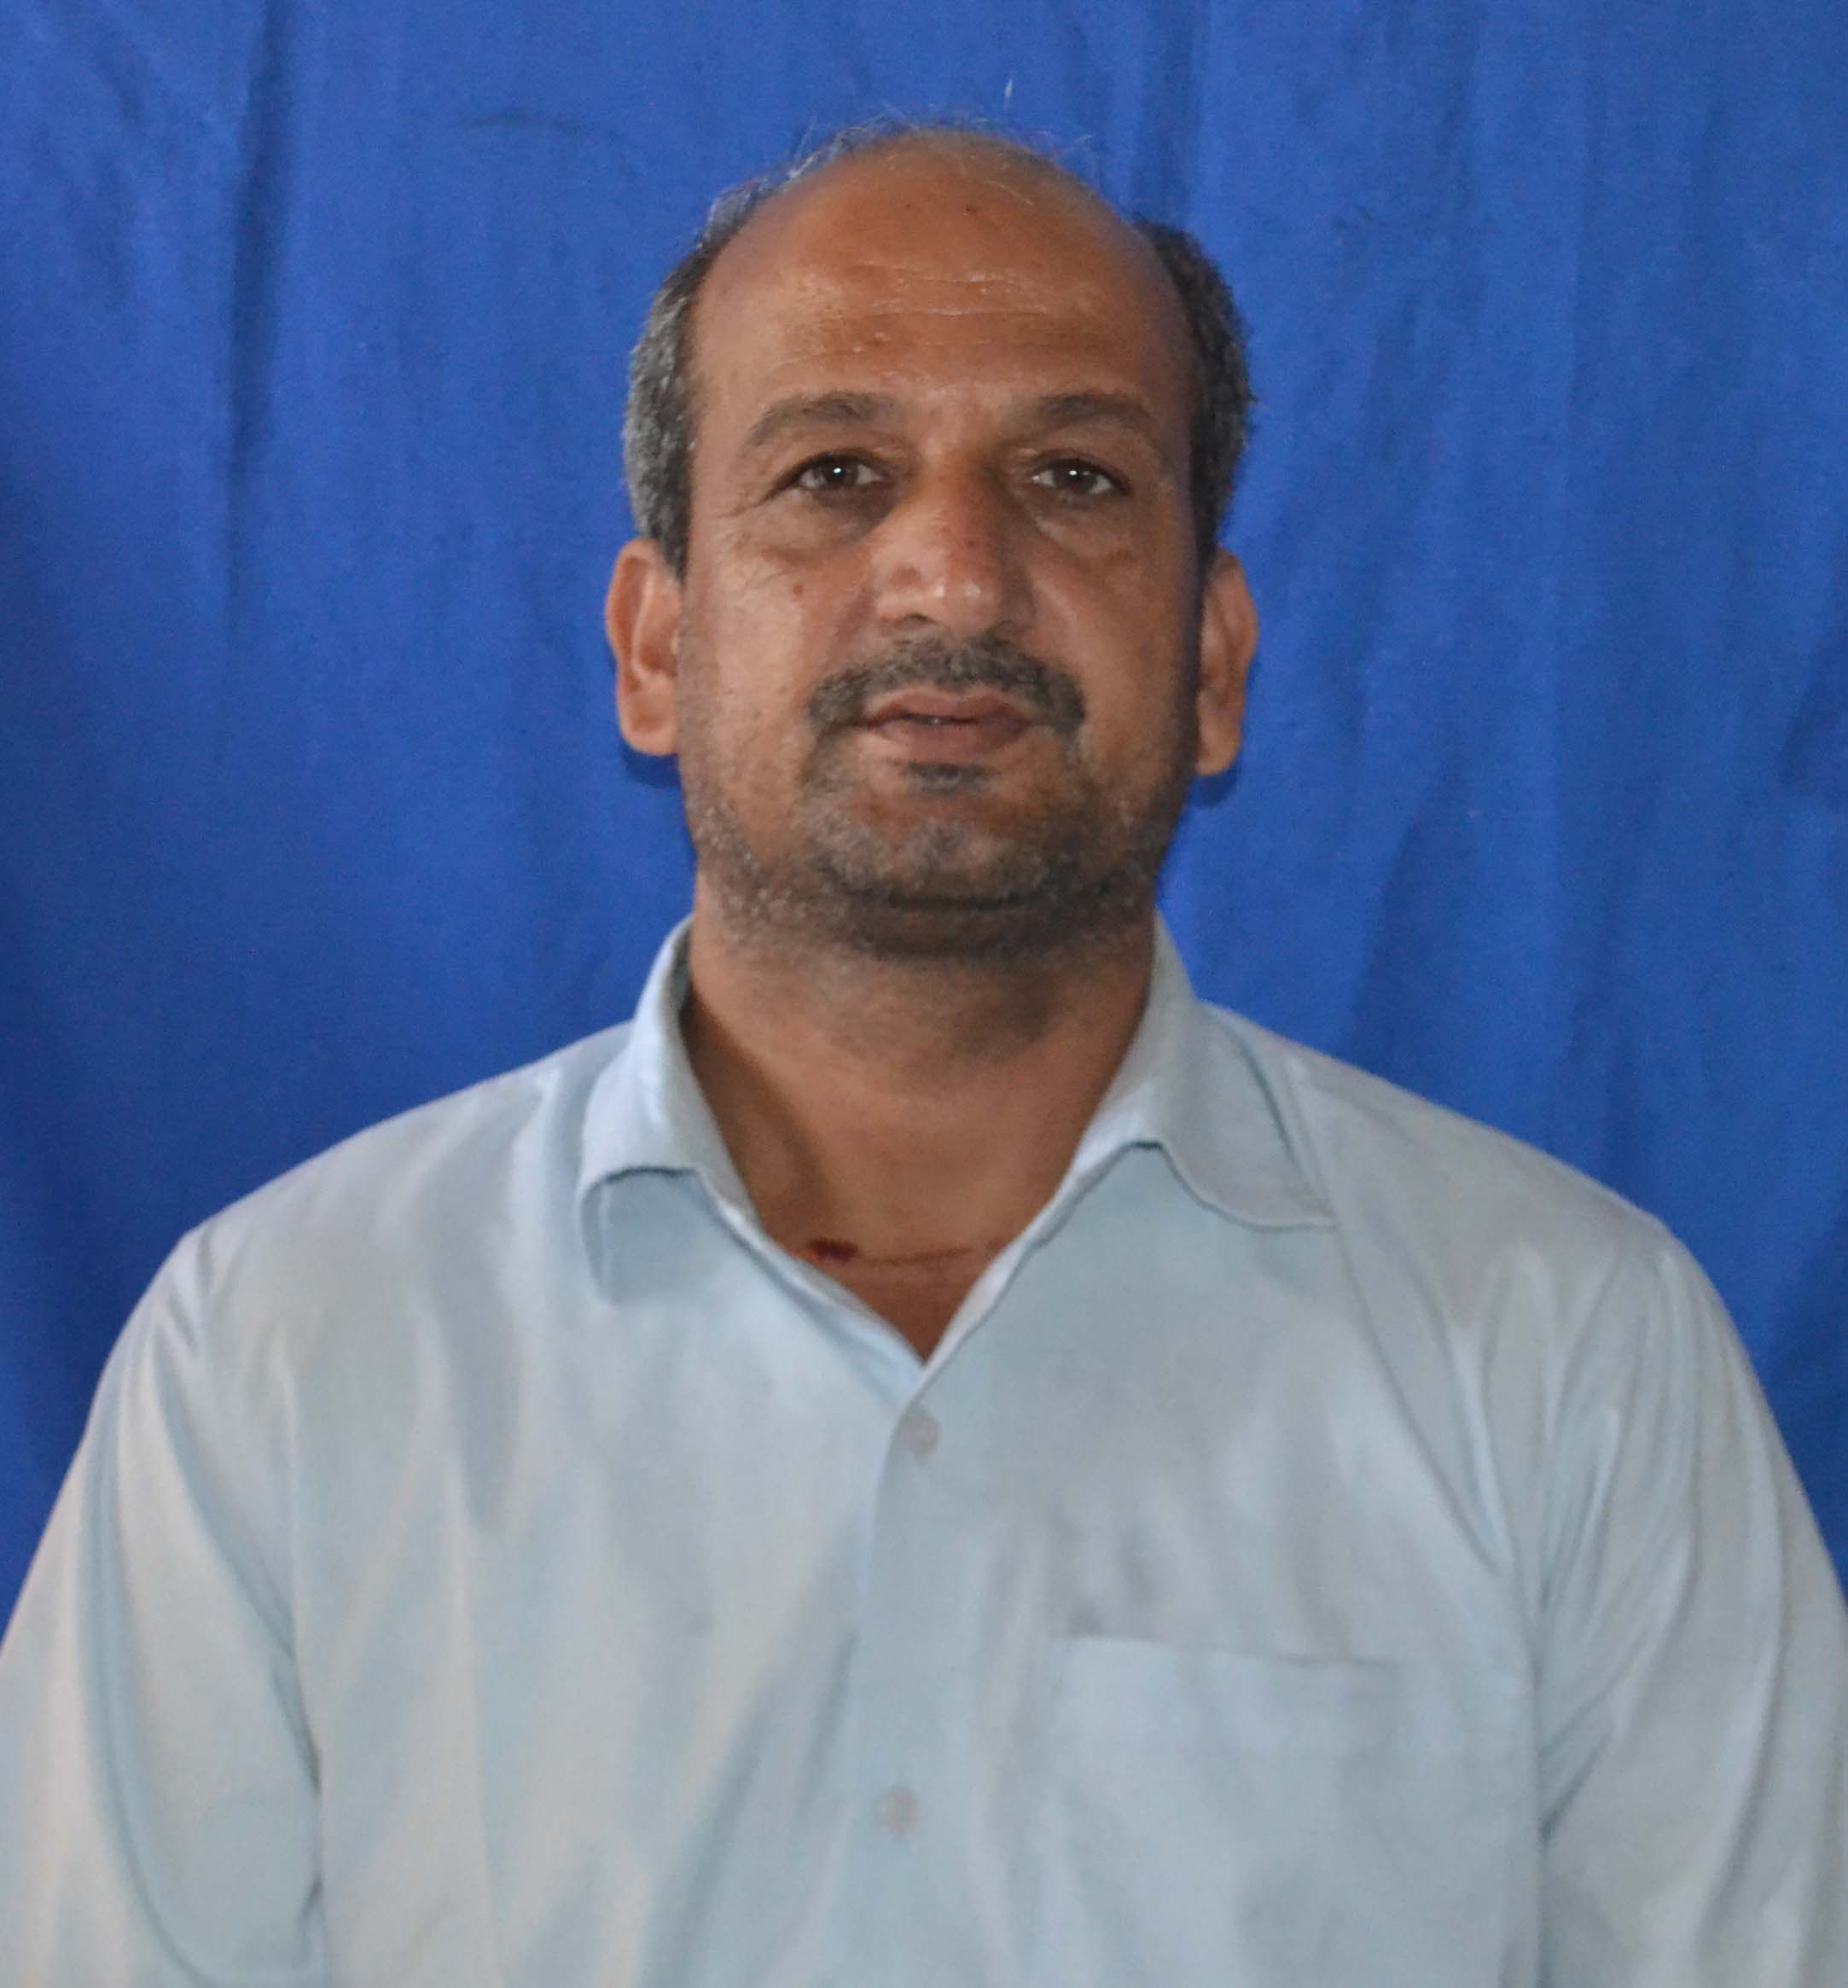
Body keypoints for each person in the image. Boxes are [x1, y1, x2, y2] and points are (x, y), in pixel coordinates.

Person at [1, 123, 1844, 1987]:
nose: (955, 577)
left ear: (1213, 662)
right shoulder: (285, 1351)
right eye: (833, 474)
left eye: (1071, 477)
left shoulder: (1571, 1358)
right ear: (655, 649)